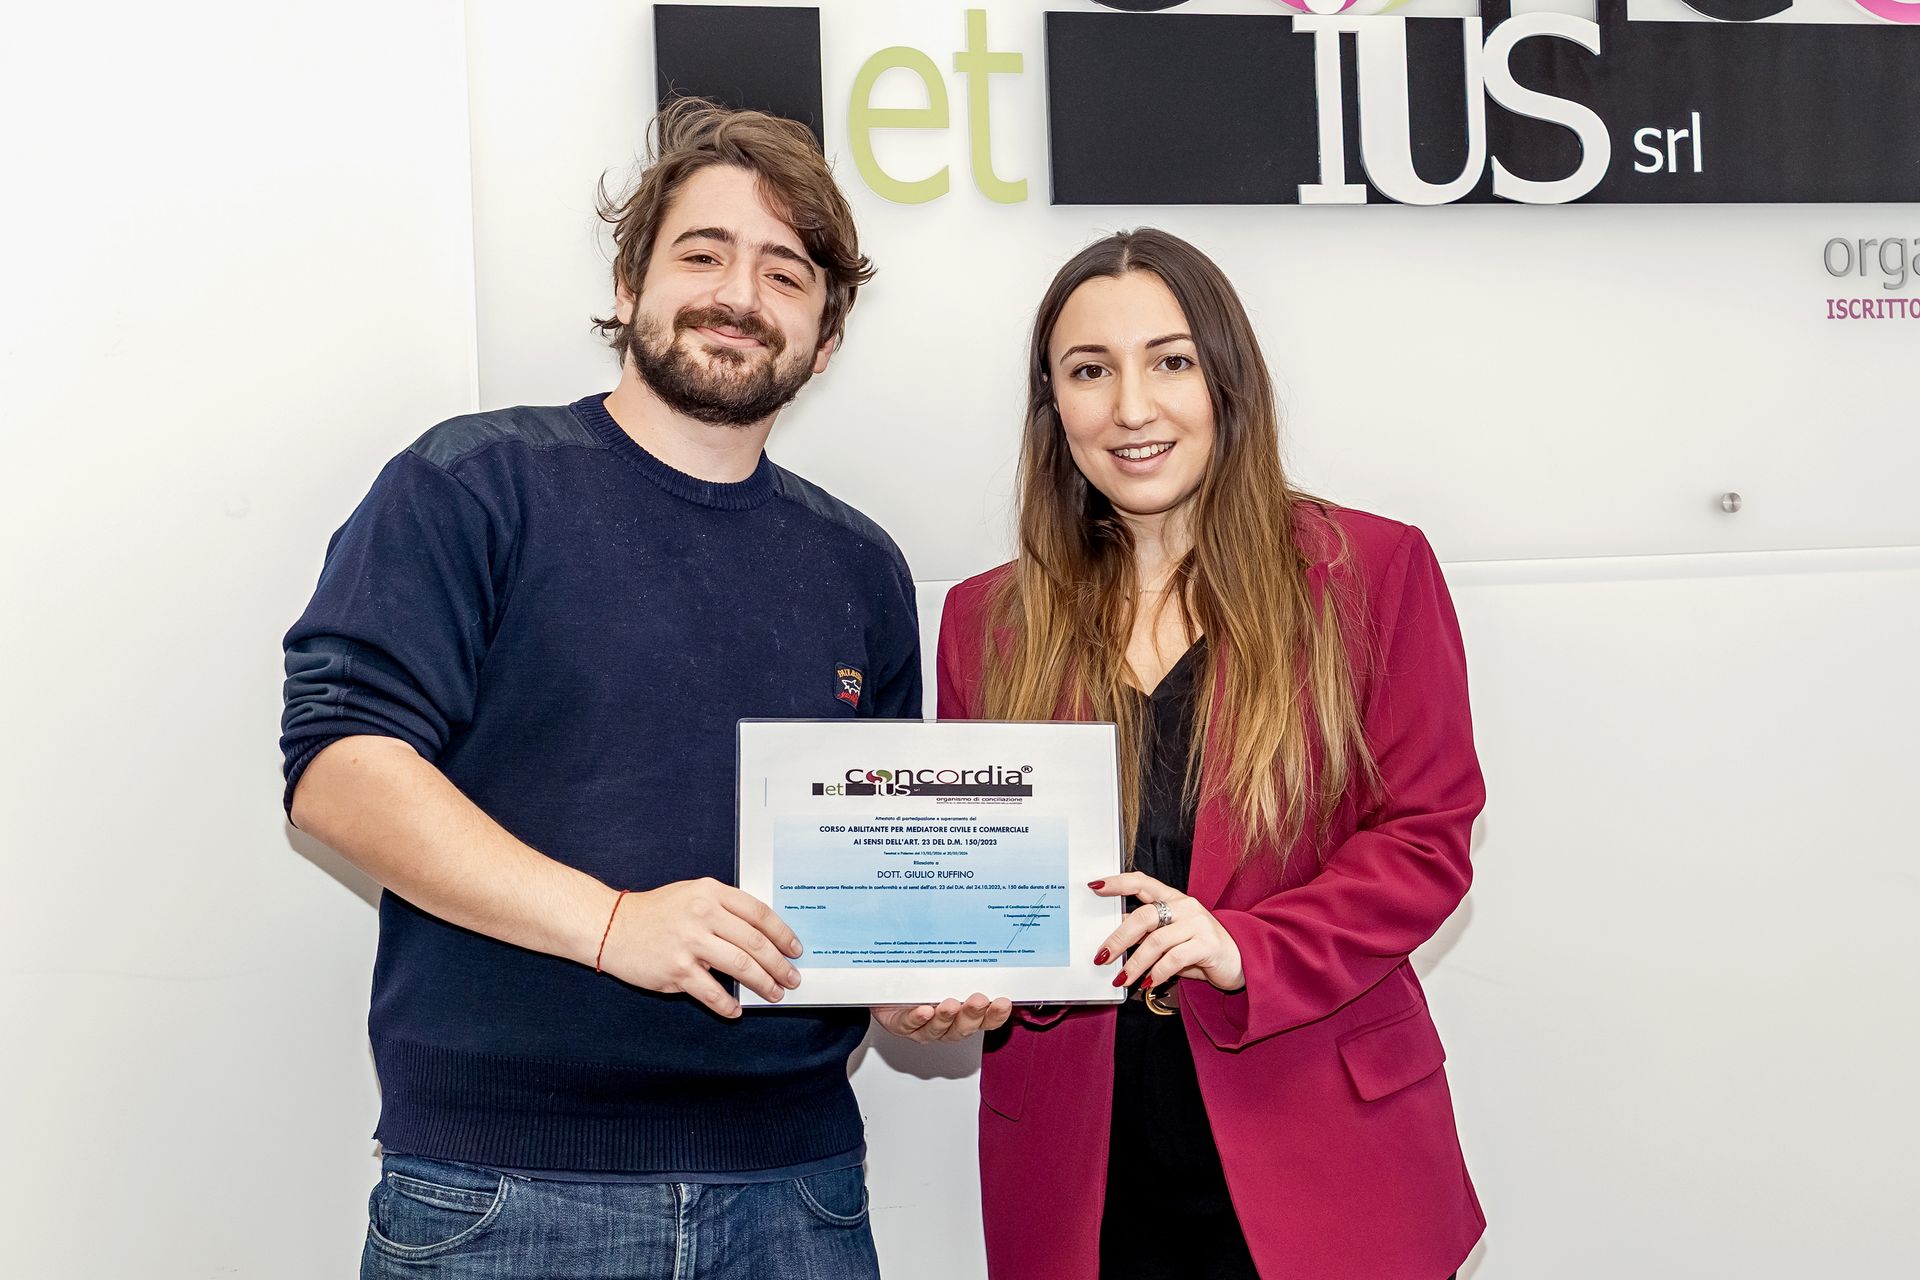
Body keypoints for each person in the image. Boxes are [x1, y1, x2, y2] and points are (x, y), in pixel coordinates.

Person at [280, 98, 921, 1279]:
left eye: (786, 273)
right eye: (702, 253)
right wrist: (616, 923)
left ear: (825, 338)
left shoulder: (861, 567)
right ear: (629, 286)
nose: (740, 293)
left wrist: (919, 983)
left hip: (798, 1195)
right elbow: (339, 772)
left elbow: (872, 873)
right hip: (502, 1195)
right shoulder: (472, 485)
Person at [930, 229, 1484, 1280]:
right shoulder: (984, 621)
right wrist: (948, 978)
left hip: (1328, 1159)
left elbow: (1425, 837)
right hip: (1083, 1180)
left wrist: (1247, 946)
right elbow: (984, 880)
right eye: (1089, 371)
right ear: (1054, 406)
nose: (1132, 407)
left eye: (1170, 361)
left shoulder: (1371, 570)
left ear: (1228, 379)